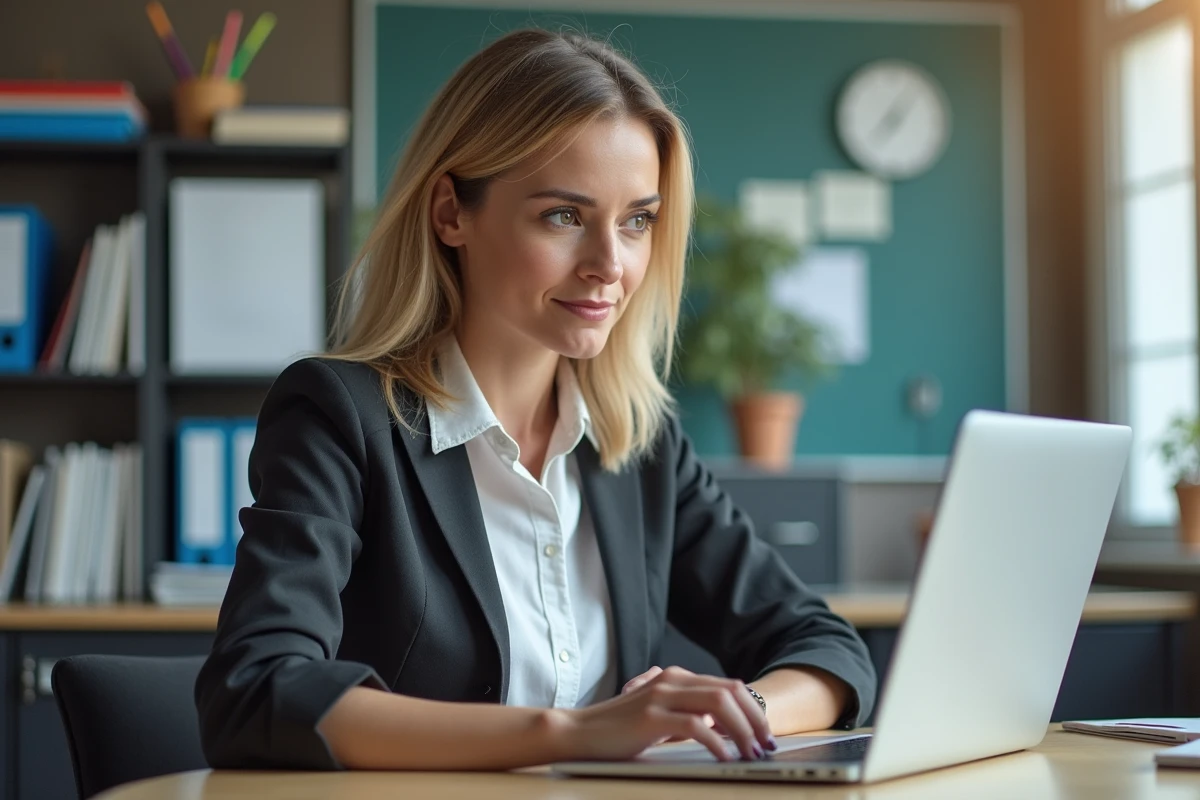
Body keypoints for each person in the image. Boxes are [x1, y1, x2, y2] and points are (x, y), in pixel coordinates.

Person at [194, 27, 876, 771]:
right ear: (451, 213)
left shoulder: (637, 443)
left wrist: (728, 718)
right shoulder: (340, 416)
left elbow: (828, 649)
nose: (610, 265)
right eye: (564, 216)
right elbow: (258, 692)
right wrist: (574, 734)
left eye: (637, 221)